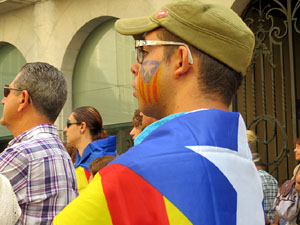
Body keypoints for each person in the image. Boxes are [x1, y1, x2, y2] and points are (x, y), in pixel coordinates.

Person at [54, 1, 264, 224]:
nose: (135, 67)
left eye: (144, 51)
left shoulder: (131, 174)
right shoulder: (247, 171)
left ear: (181, 60)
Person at [0, 62, 78, 225]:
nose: (3, 100)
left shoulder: (22, 154)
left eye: (8, 91)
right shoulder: (61, 152)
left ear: (23, 99)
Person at [64, 106, 116, 192]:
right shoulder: (80, 159)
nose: (65, 129)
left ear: (82, 127)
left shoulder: (101, 162)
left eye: (68, 124)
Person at [252, 153, 280, 225]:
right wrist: (275, 223)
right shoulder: (273, 179)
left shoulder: (254, 179)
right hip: (274, 221)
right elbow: (279, 203)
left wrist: (268, 222)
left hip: (261, 221)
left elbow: (257, 204)